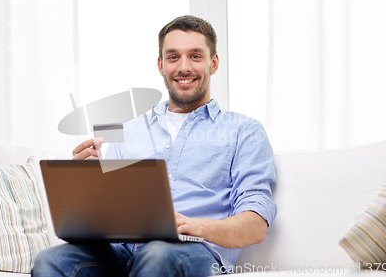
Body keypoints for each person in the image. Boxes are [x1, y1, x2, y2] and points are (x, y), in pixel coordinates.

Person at [31, 15, 277, 277]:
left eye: (195, 56)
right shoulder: (124, 130)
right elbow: (106, 215)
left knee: (157, 254)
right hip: (123, 252)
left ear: (213, 63)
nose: (183, 67)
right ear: (160, 65)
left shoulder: (245, 131)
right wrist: (84, 183)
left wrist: (196, 226)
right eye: (173, 57)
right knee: (50, 260)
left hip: (193, 252)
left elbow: (255, 225)